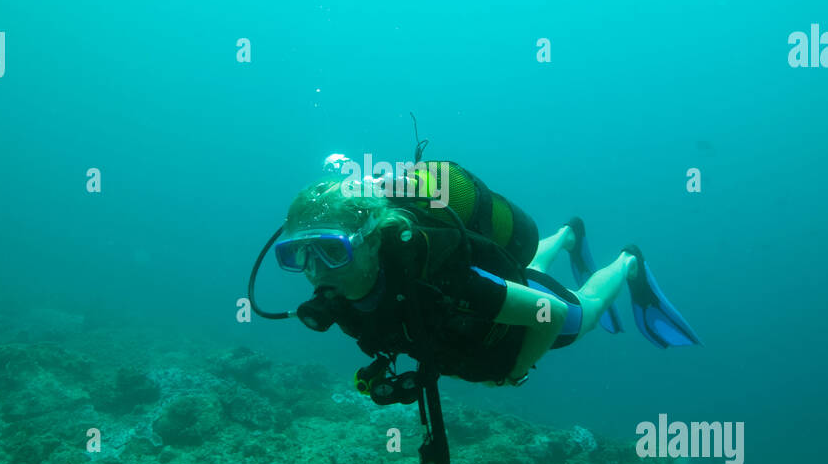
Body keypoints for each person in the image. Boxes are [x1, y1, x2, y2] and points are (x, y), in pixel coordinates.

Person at [272, 164, 701, 393]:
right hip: (501, 289)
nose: (313, 271)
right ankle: (568, 235)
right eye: (297, 254)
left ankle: (627, 262)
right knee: (527, 273)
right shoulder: (348, 288)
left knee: (581, 316)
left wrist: (516, 370)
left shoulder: (442, 279)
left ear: (369, 242)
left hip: (523, 314)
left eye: (332, 250)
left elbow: (546, 314)